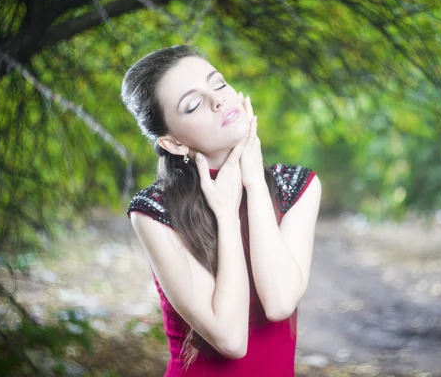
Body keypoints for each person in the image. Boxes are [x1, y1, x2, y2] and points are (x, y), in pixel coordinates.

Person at [121, 45, 321, 376]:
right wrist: (226, 216)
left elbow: (280, 301)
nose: (218, 101)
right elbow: (231, 339)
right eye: (193, 104)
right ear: (173, 143)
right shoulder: (155, 211)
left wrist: (255, 183)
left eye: (218, 83)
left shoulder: (296, 186)